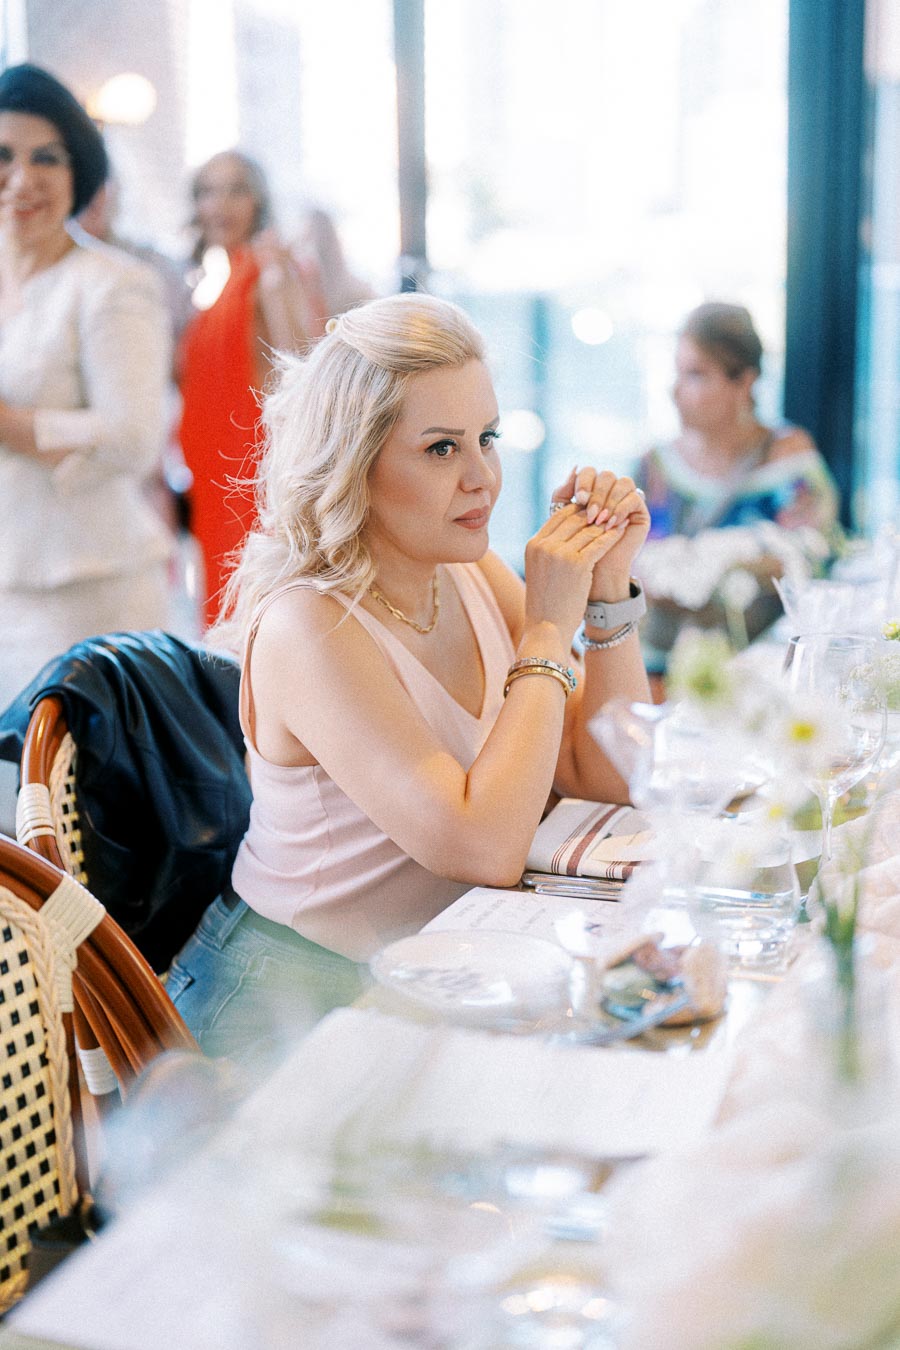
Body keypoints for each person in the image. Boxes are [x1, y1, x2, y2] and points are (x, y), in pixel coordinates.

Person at [167, 292, 652, 1059]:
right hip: (284, 995)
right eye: (440, 449)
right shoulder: (309, 624)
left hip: (435, 967)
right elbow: (483, 847)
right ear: (356, 466)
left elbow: (611, 773)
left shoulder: (460, 568)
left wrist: (608, 596)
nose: (482, 478)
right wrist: (550, 628)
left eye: (485, 439)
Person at [0, 63, 172, 833]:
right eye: (3, 156)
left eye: (46, 157)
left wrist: (19, 427)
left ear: (78, 169)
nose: (21, 178)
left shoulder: (112, 285)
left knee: (76, 819)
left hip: (83, 584)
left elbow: (133, 433)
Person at [634, 302, 839, 681]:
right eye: (677, 372)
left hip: (762, 672)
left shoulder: (787, 457)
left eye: (696, 374)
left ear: (744, 381)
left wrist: (733, 564)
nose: (676, 390)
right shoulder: (655, 466)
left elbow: (818, 557)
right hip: (657, 668)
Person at [177, 150, 327, 628]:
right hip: (212, 481)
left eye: (236, 189)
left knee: (251, 623)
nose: (220, 203)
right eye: (207, 190)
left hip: (250, 481)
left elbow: (304, 369)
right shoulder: (221, 279)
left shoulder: (267, 272)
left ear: (258, 201)